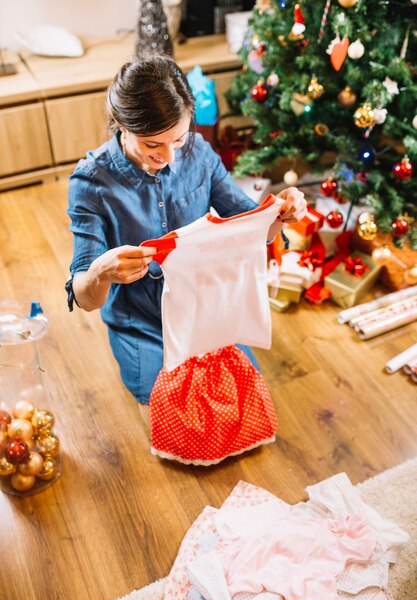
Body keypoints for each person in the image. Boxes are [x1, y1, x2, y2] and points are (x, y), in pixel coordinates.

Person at [66, 54, 307, 423]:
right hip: (142, 321)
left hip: (206, 310)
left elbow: (251, 227)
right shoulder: (91, 182)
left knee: (239, 390)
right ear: (122, 126)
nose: (168, 156)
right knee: (165, 401)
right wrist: (100, 273)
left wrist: (281, 213)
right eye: (152, 145)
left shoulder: (199, 153)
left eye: (177, 139)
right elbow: (85, 297)